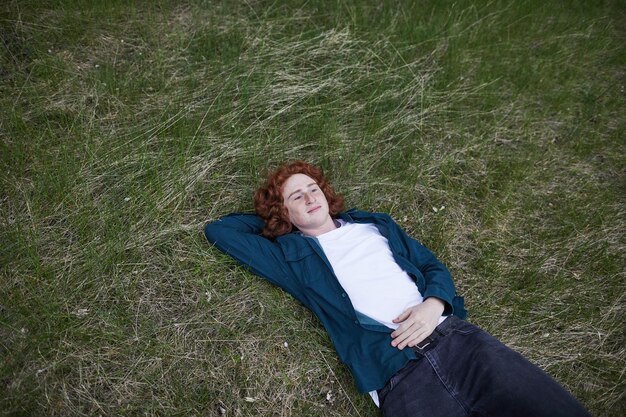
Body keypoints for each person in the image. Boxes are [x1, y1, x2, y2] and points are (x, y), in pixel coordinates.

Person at [204, 160, 592, 417]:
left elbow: (430, 265)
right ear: (284, 213)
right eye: (296, 196)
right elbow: (221, 231)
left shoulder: (374, 225)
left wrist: (434, 305)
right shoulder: (291, 257)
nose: (310, 197)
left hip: (458, 343)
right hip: (399, 377)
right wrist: (276, 218)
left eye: (313, 189)